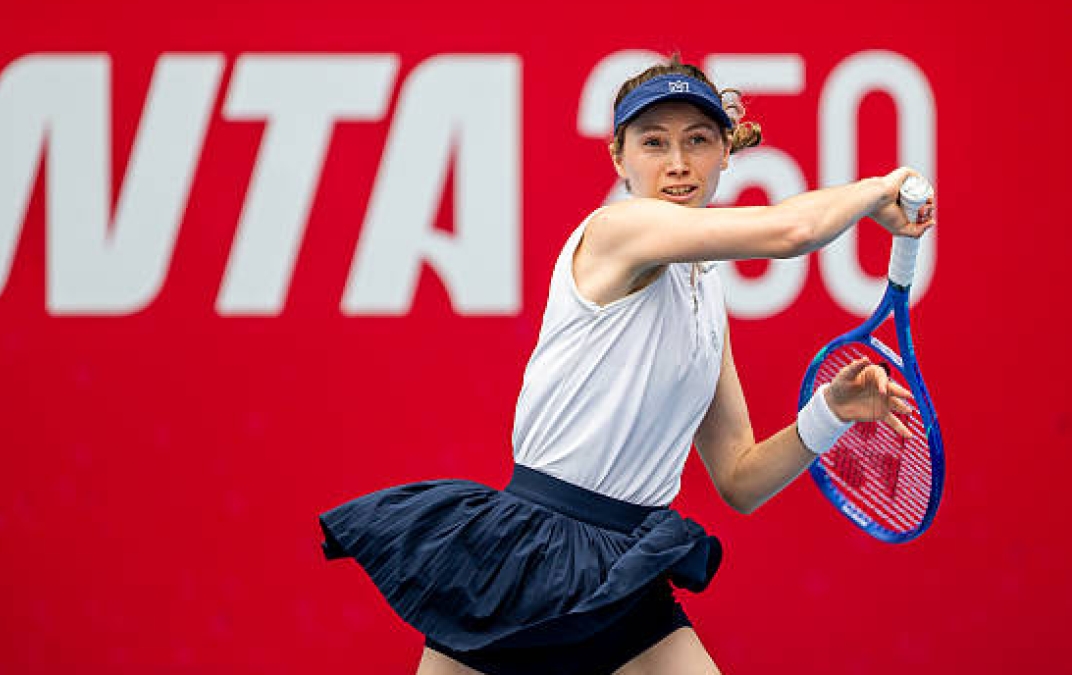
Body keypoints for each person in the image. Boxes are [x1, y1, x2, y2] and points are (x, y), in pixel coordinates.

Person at [319, 54, 934, 675]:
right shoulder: (618, 228)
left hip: (624, 567)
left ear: (726, 152)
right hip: (525, 558)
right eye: (653, 142)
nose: (676, 162)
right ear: (619, 159)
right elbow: (790, 232)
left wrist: (829, 413)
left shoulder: (704, 296)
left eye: (697, 140)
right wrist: (878, 191)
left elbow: (741, 480)